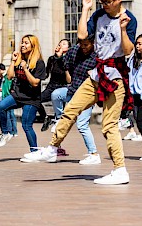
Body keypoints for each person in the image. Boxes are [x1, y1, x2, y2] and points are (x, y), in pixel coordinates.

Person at [20, 0, 137, 185]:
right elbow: (82, 35)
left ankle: (120, 170)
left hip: (115, 76)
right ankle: (53, 148)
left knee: (109, 125)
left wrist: (124, 29)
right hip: (96, 75)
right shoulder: (99, 14)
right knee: (71, 108)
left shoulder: (129, 18)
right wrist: (85, 9)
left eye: (108, 1)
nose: (105, 5)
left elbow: (128, 51)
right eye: (102, 1)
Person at [26, 35, 101, 165]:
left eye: (86, 45)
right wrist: (60, 59)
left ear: (93, 43)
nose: (83, 48)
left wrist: (94, 75)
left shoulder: (97, 55)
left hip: (87, 94)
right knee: (56, 94)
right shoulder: (74, 52)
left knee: (82, 125)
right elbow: (68, 79)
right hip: (72, 91)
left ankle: (93, 154)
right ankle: (59, 119)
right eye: (81, 44)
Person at [0, 34, 47, 157]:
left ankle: (34, 151)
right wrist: (13, 61)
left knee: (26, 125)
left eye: (26, 43)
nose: (22, 45)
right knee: (1, 106)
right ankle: (6, 133)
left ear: (33, 46)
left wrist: (25, 69)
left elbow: (35, 83)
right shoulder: (19, 59)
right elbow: (9, 76)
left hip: (31, 99)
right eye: (22, 42)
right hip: (18, 95)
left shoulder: (39, 63)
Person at [39, 39, 70, 128]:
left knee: (60, 117)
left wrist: (61, 58)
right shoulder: (52, 59)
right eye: (59, 44)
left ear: (68, 48)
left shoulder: (68, 59)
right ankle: (45, 117)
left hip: (62, 88)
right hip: (51, 87)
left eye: (63, 44)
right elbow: (46, 74)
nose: (60, 45)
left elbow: (69, 80)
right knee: (37, 100)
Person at [0, 63, 17, 136]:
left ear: (0, 70)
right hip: (0, 99)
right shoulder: (0, 80)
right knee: (2, 116)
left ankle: (11, 131)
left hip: (7, 98)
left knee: (9, 116)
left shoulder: (7, 77)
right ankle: (5, 131)